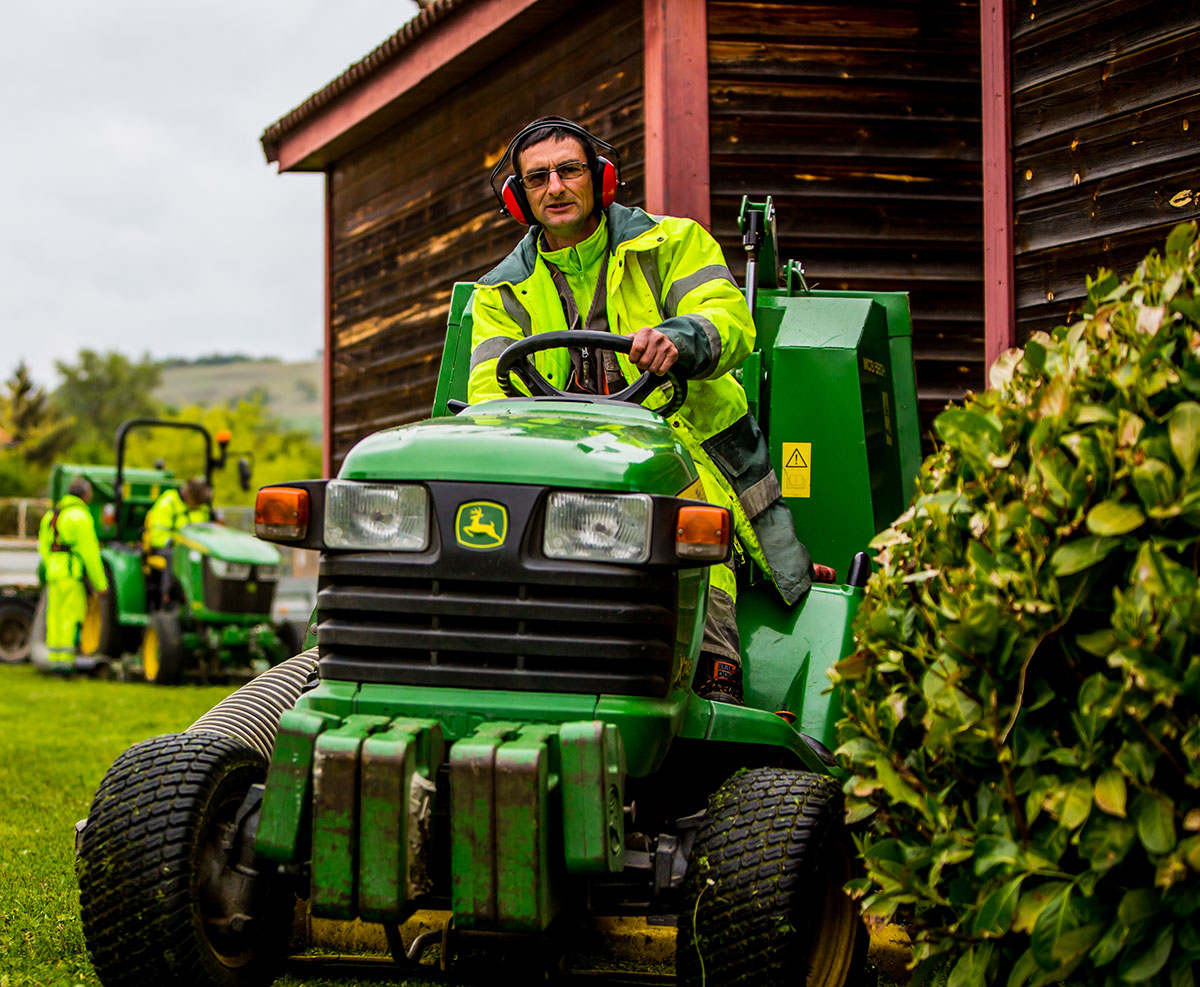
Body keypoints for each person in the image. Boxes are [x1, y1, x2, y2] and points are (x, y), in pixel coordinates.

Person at [468, 117, 814, 705]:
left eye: (569, 170)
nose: (555, 187)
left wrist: (680, 339)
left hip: (690, 450)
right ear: (518, 197)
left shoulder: (672, 244)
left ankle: (710, 676)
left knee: (686, 529)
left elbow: (730, 321)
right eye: (537, 178)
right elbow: (489, 396)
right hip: (567, 466)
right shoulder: (499, 293)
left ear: (600, 180)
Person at [37, 476, 108, 673]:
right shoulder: (80, 517)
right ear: (85, 495)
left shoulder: (52, 516)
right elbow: (90, 553)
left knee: (55, 619)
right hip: (71, 573)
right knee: (71, 618)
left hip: (54, 574)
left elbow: (43, 548)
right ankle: (66, 665)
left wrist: (50, 567)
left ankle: (55, 662)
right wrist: (101, 584)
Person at [142, 476, 212, 607]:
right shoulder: (168, 502)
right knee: (176, 556)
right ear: (188, 495)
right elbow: (157, 537)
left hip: (194, 548)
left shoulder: (201, 507)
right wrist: (179, 542)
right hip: (167, 548)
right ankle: (166, 597)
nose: (197, 506)